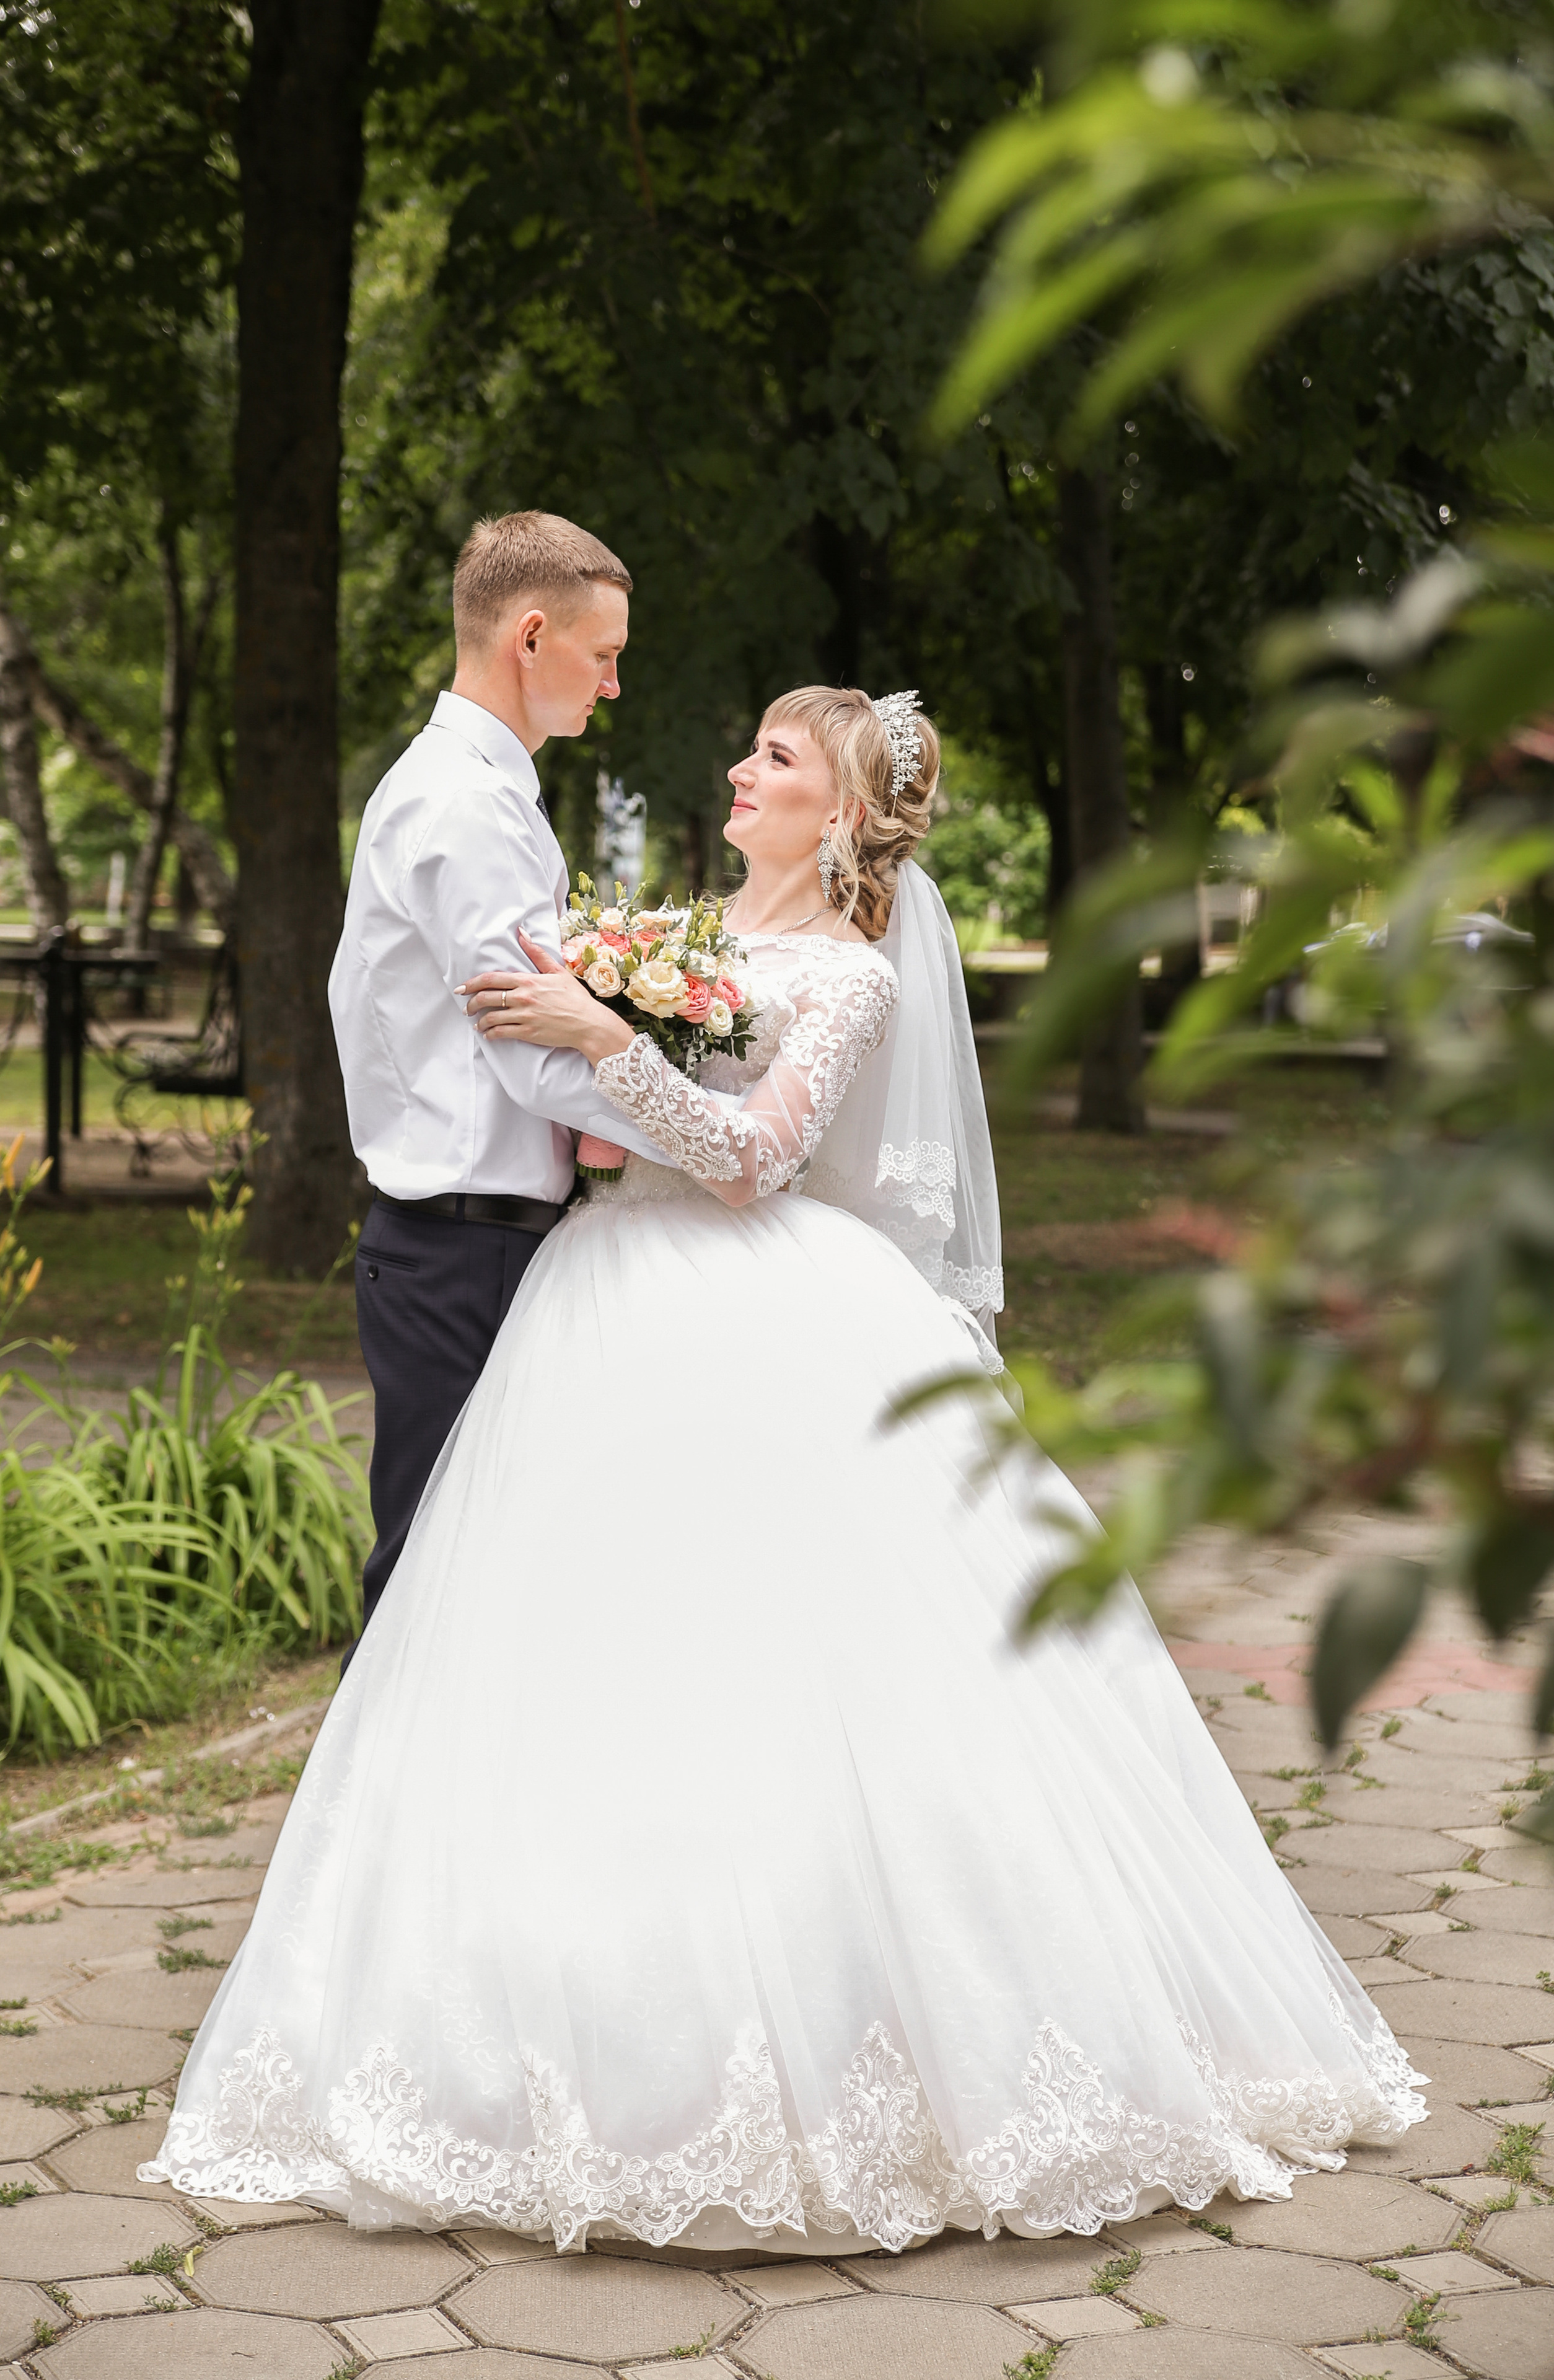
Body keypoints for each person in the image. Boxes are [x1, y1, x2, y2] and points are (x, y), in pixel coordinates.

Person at [144, 685, 1424, 2252]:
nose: (739, 771)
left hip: (767, 1319)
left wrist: (613, 1042)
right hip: (597, 1306)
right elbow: (615, 1144)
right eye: (747, 747)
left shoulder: (849, 977)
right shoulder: (677, 938)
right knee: (570, 1667)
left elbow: (755, 1159)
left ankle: (861, 2046)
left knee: (787, 1675)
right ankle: (541, 2029)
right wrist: (605, 1062)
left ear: (841, 813)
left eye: (777, 760)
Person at [327, 511, 666, 1656]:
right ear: (532, 636)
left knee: (508, 1589)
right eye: (605, 654)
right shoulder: (463, 808)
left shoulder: (487, 794)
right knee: (435, 1593)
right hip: (462, 1255)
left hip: (493, 1243)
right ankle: (380, 1837)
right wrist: (718, 1133)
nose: (613, 685)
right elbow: (539, 1056)